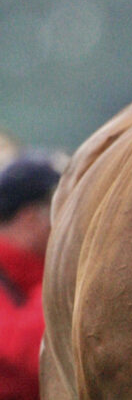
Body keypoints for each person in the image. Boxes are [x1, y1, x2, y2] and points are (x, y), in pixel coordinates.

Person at [0, 151, 61, 400]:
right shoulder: (47, 280)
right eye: (57, 209)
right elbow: (27, 354)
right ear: (28, 218)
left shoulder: (33, 274)